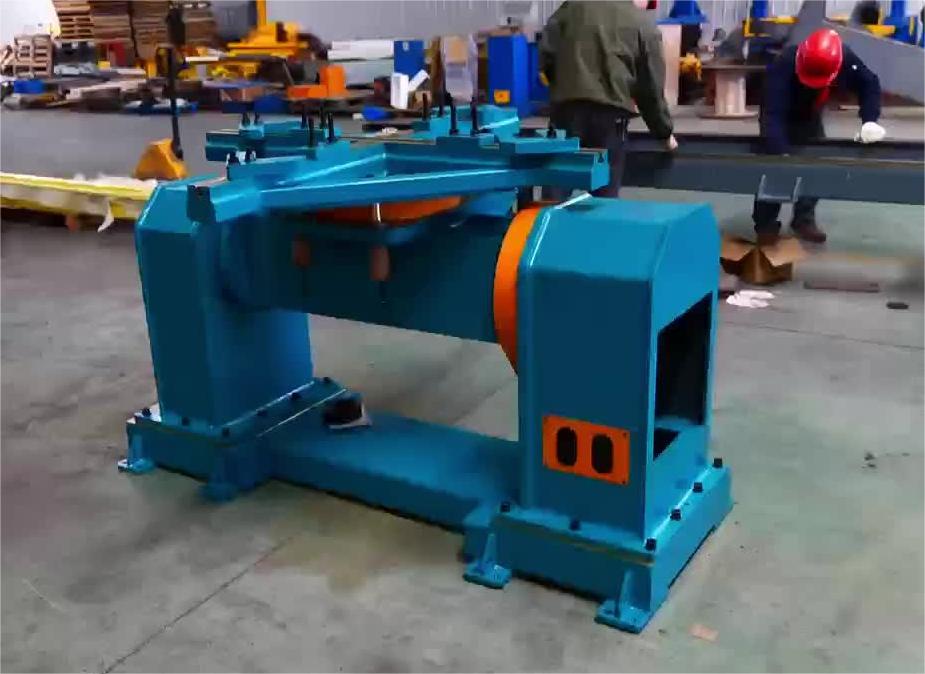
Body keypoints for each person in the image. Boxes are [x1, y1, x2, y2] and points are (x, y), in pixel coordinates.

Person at [755, 28, 884, 245]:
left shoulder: (844, 58)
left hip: (810, 115)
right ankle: (765, 225)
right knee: (774, 169)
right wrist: (780, 154)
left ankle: (803, 220)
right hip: (782, 115)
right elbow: (772, 115)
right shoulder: (784, 64)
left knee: (814, 166)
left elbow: (869, 83)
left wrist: (870, 120)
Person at [539, 0, 678, 199]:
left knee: (556, 186)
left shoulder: (571, 7)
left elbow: (546, 54)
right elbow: (650, 90)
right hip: (611, 117)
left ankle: (545, 217)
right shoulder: (642, 24)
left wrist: (563, 88)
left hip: (566, 109)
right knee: (605, 195)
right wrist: (664, 132)